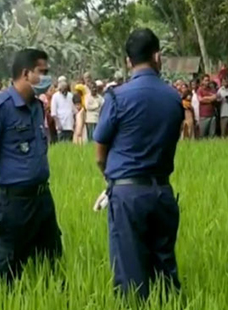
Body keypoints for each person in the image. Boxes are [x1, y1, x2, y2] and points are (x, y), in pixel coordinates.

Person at [94, 28, 183, 298]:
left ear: (127, 61)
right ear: (158, 56)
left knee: (131, 281)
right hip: (163, 193)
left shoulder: (118, 97)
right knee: (165, 274)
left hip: (128, 196)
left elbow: (100, 151)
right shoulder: (173, 98)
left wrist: (111, 181)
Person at [0, 49, 61, 283]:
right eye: (42, 72)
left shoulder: (36, 106)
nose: (46, 78)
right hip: (14, 203)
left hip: (42, 199)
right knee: (7, 271)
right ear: (25, 73)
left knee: (51, 264)